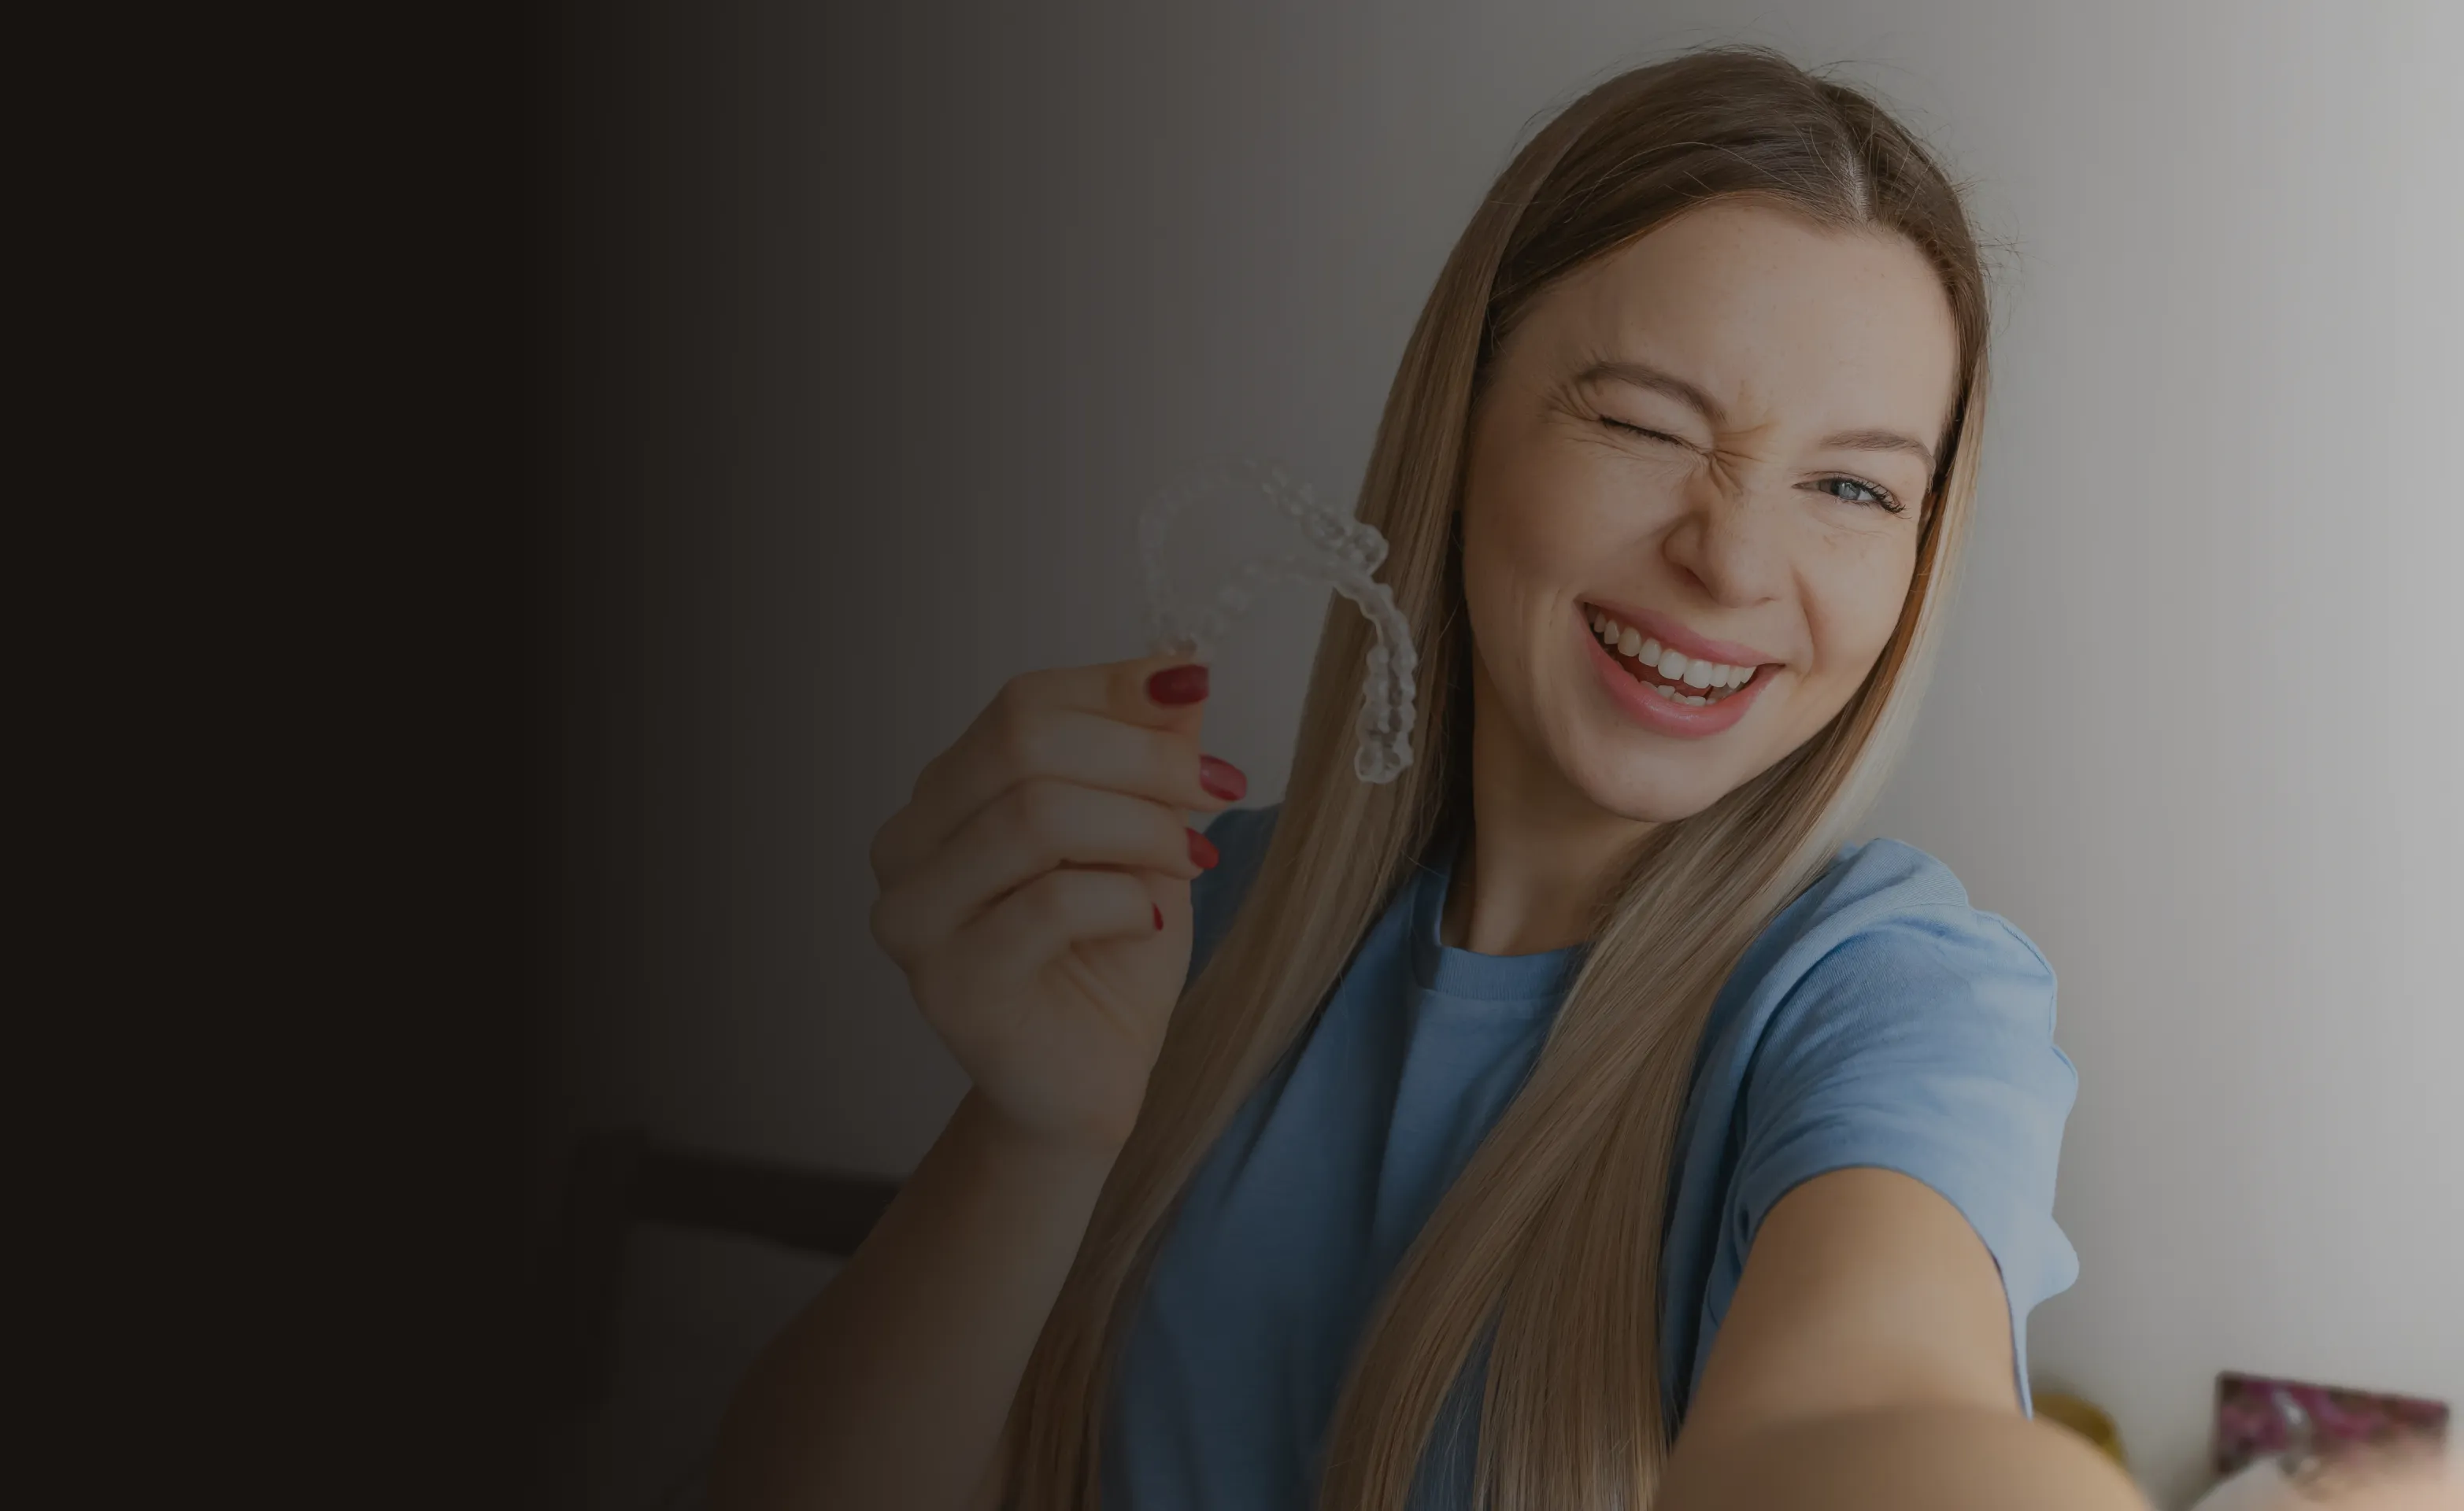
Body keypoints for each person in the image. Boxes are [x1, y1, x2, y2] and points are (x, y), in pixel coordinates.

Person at [705, 44, 2349, 1511]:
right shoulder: (1169, 923)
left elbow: (1866, 1416)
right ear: (1462, 419)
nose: (1730, 560)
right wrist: (1034, 1134)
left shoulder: (1890, 997)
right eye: (1645, 425)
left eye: (1851, 489)